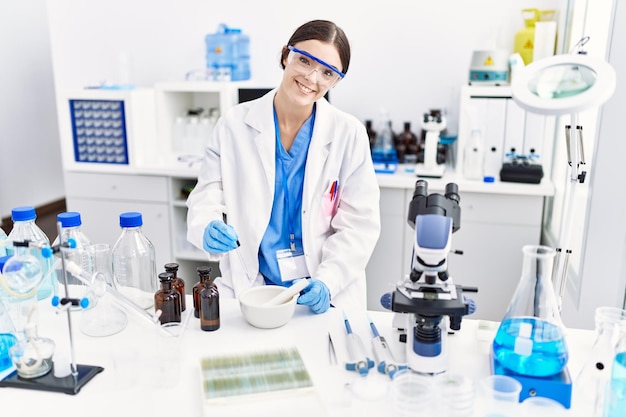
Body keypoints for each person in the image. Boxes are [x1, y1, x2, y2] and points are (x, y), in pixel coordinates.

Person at [186, 19, 381, 314]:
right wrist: (206, 225)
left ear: (335, 81)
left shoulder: (348, 134)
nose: (312, 78)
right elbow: (207, 195)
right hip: (253, 285)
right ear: (285, 56)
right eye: (304, 60)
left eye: (327, 72)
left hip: (321, 290)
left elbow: (359, 224)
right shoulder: (234, 125)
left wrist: (329, 280)